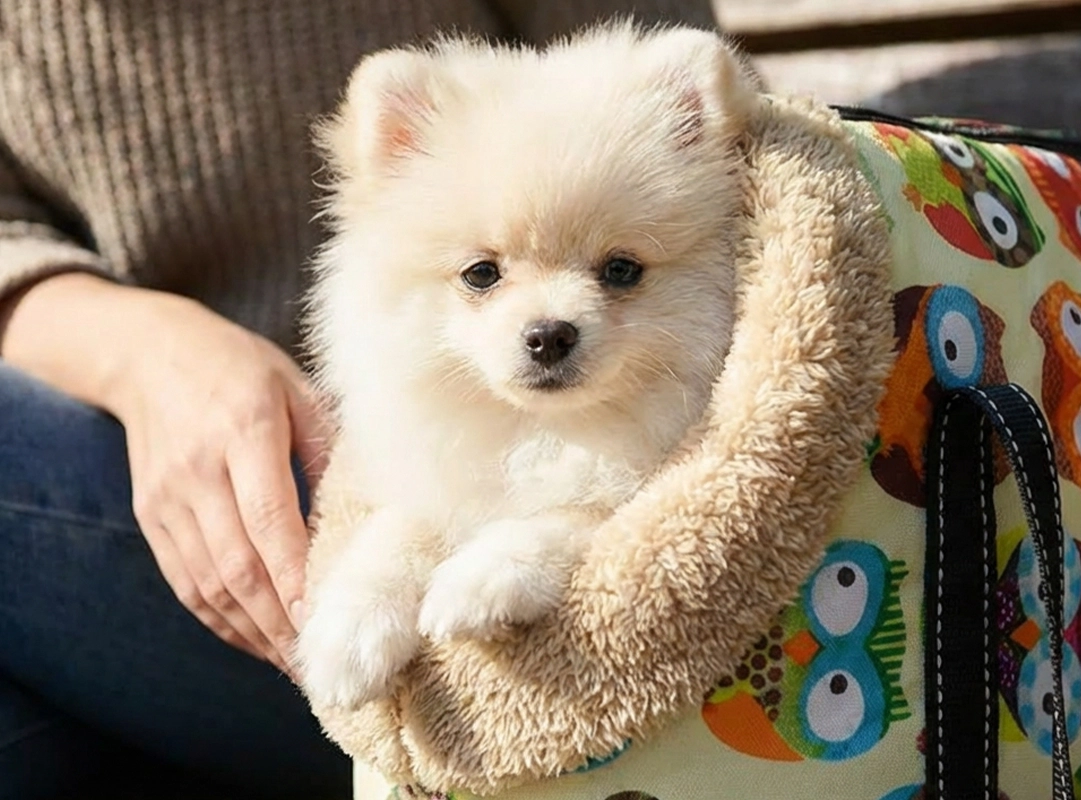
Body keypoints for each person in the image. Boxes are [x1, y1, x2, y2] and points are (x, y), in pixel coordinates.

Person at [0, 2, 718, 798]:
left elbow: (692, 84)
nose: (548, 323)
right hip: (180, 456)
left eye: (619, 271)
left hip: (345, 529)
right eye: (482, 276)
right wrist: (142, 355)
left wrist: (546, 545)